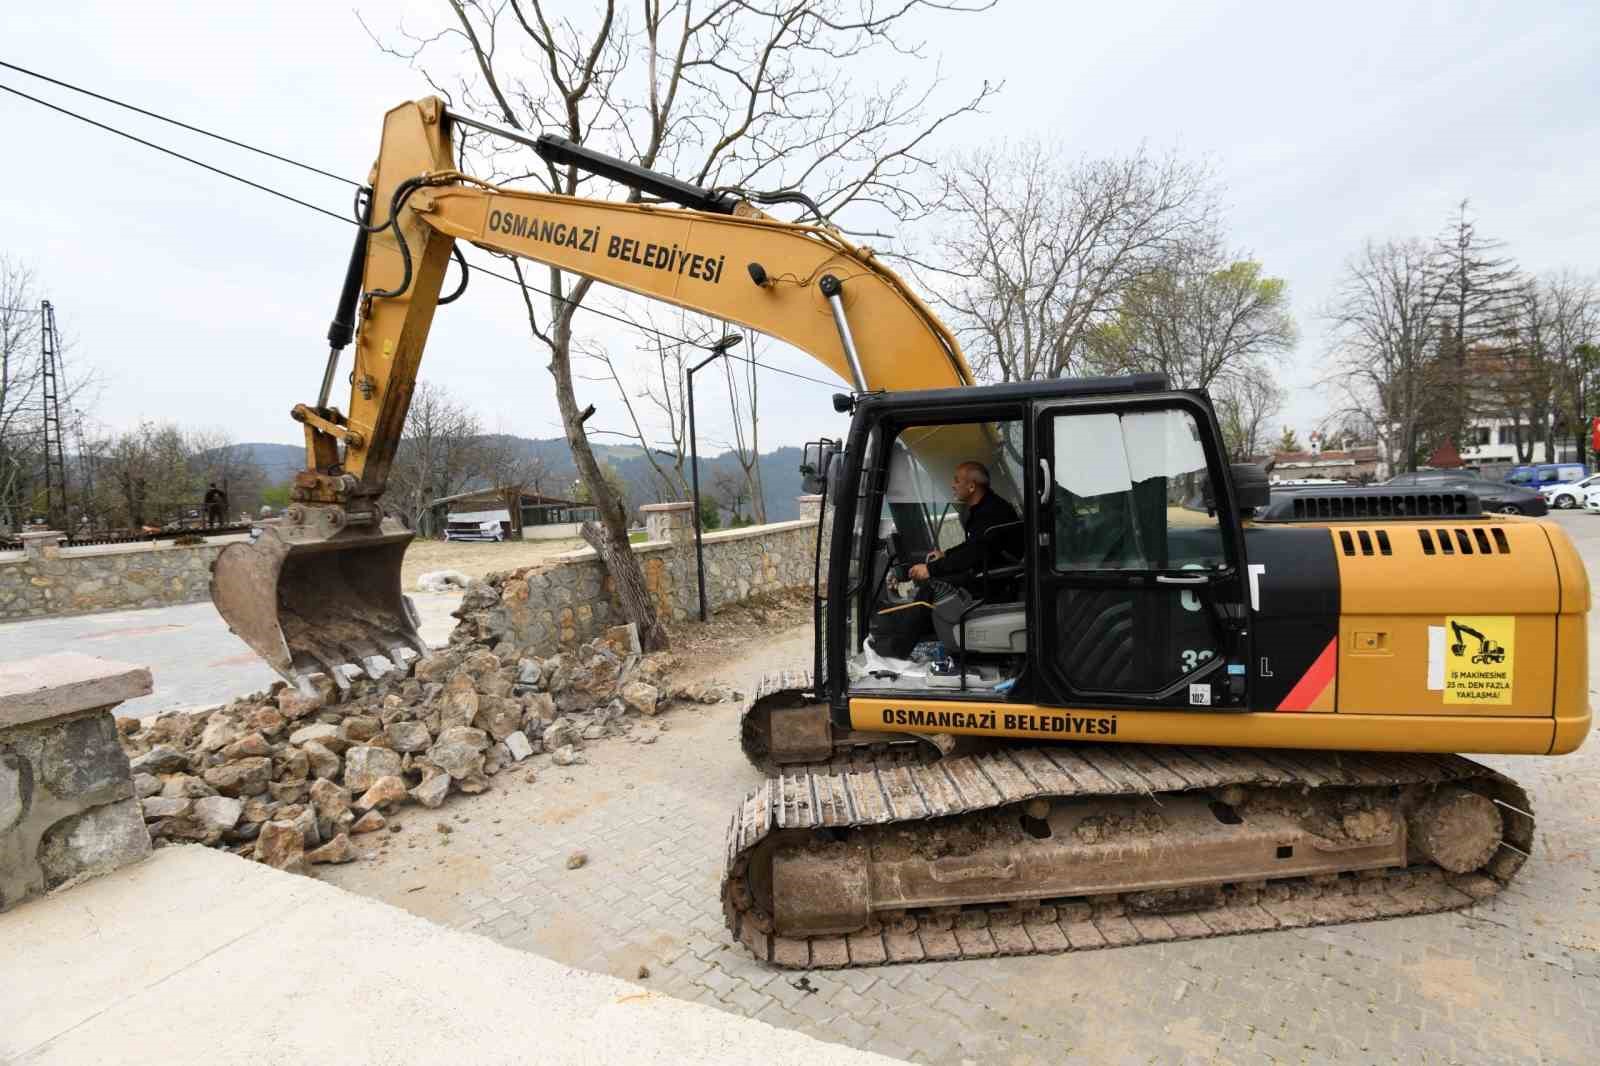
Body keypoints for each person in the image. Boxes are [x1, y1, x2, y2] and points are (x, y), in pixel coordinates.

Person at [909, 461, 1022, 591]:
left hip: (997, 579)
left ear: (972, 487)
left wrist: (929, 570)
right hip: (989, 568)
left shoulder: (990, 512)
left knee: (932, 587)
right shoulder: (987, 506)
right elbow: (974, 544)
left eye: (957, 481)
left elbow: (973, 554)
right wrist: (946, 554)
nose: (953, 486)